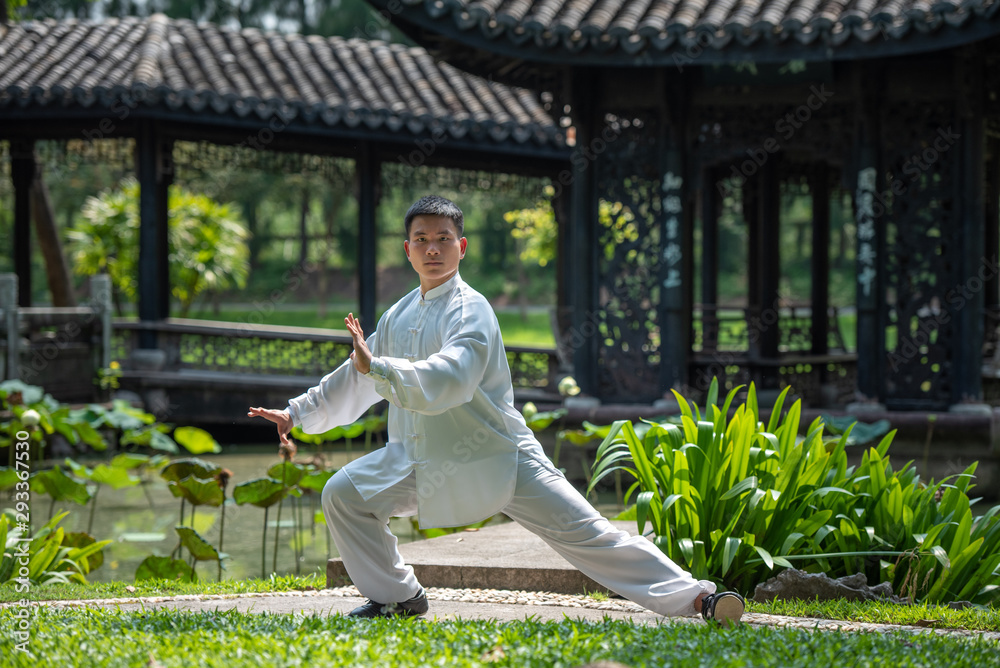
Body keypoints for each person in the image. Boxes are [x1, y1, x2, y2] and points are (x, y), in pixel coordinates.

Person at [248, 195, 745, 625]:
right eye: (421, 239)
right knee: (344, 494)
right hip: (421, 459)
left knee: (590, 535)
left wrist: (380, 367)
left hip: (498, 457)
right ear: (408, 250)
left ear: (461, 247)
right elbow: (356, 375)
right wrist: (297, 413)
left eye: (444, 238)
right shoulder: (397, 314)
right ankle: (397, 597)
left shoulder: (472, 309)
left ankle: (698, 597)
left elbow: (451, 377)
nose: (433, 248)